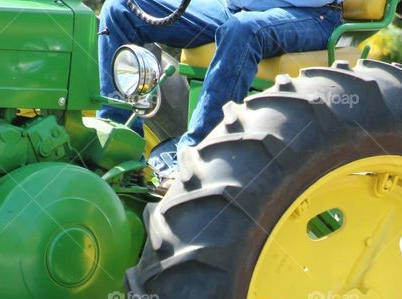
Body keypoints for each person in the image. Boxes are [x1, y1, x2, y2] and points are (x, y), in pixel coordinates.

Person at [98, 0, 342, 178]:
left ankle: (196, 158)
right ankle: (118, 148)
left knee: (242, 30)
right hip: (234, 8)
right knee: (120, 9)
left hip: (311, 14)